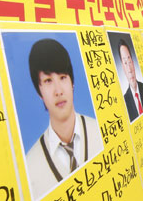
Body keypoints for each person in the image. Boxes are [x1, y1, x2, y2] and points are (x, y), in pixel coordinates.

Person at [25, 38, 101, 198]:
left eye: (62, 77)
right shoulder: (30, 166)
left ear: (72, 82)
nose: (58, 90)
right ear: (39, 92)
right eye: (48, 81)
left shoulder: (101, 131)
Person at [118, 39, 143, 122]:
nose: (129, 69)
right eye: (125, 63)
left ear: (133, 62)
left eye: (129, 61)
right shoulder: (124, 102)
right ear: (122, 67)